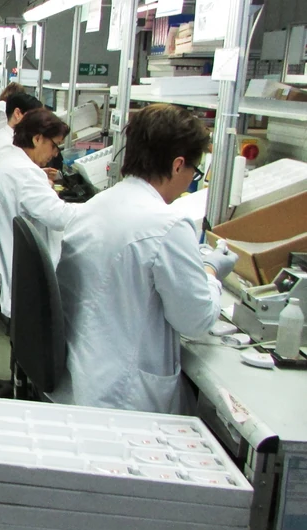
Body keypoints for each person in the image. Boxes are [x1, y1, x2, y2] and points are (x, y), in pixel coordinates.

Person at [52, 104, 237, 414]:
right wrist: (211, 272)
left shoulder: (98, 204)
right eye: (194, 171)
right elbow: (195, 321)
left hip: (82, 374)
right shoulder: (167, 225)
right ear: (178, 165)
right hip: (121, 397)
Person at [0, 108, 77, 319]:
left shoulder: (12, 163)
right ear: (37, 139)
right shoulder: (26, 173)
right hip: (25, 269)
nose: (55, 154)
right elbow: (61, 217)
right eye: (54, 145)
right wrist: (98, 207)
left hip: (11, 255)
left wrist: (40, 181)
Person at [0, 93, 44, 178]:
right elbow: (6, 179)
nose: (39, 124)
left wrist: (37, 172)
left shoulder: (3, 135)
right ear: (17, 114)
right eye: (36, 118)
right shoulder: (8, 146)